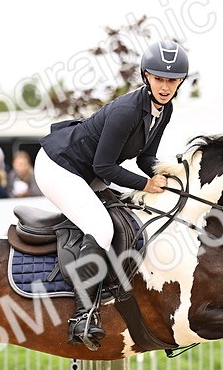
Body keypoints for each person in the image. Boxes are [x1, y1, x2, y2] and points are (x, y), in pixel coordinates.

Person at [37, 39, 189, 348]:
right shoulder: (126, 111)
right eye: (159, 78)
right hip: (59, 166)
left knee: (126, 219)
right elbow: (104, 166)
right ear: (146, 76)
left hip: (86, 171)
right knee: (102, 228)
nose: (165, 86)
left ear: (180, 82)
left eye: (172, 80)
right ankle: (82, 316)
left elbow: (146, 158)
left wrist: (173, 174)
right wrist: (145, 185)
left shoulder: (165, 110)